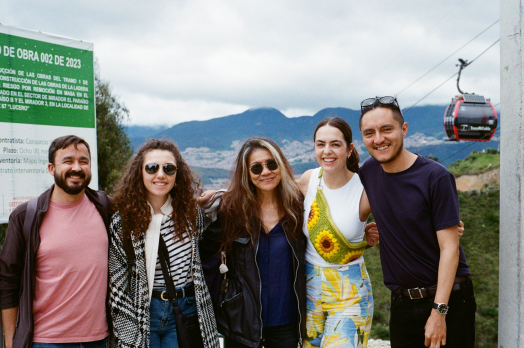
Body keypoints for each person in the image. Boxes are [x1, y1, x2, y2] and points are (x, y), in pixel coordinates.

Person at [358, 96, 476, 348]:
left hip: (448, 299)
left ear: (403, 129)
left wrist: (439, 312)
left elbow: (449, 248)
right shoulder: (368, 170)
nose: (378, 139)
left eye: (386, 129)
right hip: (401, 302)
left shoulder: (436, 177)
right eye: (370, 133)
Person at [0, 135, 111, 348]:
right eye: (68, 161)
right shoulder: (26, 216)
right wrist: (11, 341)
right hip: (46, 340)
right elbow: (7, 281)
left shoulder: (105, 207)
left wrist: (194, 203)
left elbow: (145, 205)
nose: (76, 168)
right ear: (51, 168)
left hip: (99, 340)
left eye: (83, 161)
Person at [107, 139, 219, 348]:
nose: (160, 175)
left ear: (178, 175)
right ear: (139, 173)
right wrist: (130, 336)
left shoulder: (190, 215)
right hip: (142, 314)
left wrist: (216, 195)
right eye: (151, 168)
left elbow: (223, 212)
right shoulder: (123, 222)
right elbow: (117, 287)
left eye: (168, 169)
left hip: (185, 311)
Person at [201, 136, 307, 348]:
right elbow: (202, 251)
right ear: (247, 174)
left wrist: (361, 240)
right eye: (256, 168)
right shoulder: (232, 211)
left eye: (271, 164)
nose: (265, 172)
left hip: (286, 322)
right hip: (242, 323)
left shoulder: (298, 207)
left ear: (281, 166)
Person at [297, 117, 376, 348]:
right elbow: (270, 195)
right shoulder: (309, 179)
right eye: (320, 144)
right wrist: (219, 195)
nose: (327, 151)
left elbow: (402, 217)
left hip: (349, 291)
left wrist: (444, 226)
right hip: (309, 288)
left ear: (349, 149)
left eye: (335, 144)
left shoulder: (364, 190)